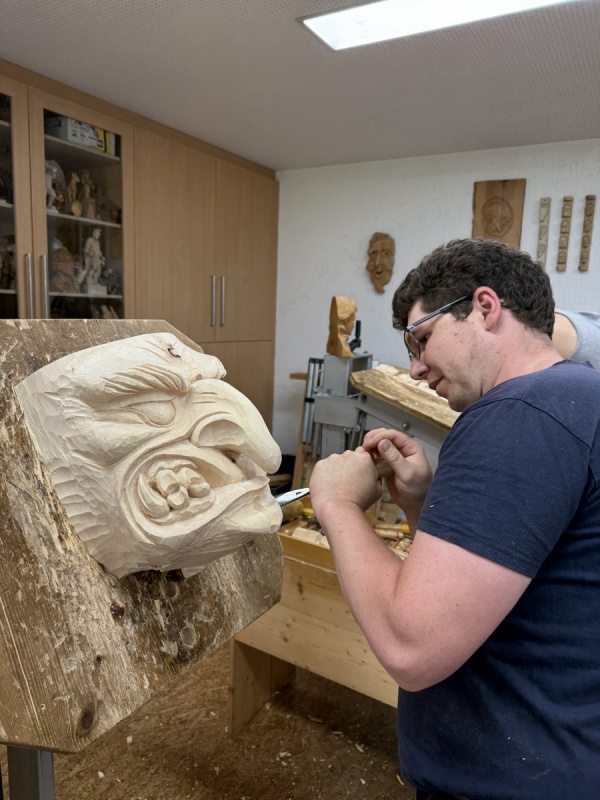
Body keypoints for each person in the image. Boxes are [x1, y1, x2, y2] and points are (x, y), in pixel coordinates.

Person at [309, 238, 600, 799]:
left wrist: (337, 504)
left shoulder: (517, 414)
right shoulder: (579, 397)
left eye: (421, 340)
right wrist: (421, 503)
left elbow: (411, 648)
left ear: (485, 307)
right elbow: (516, 578)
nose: (415, 369)